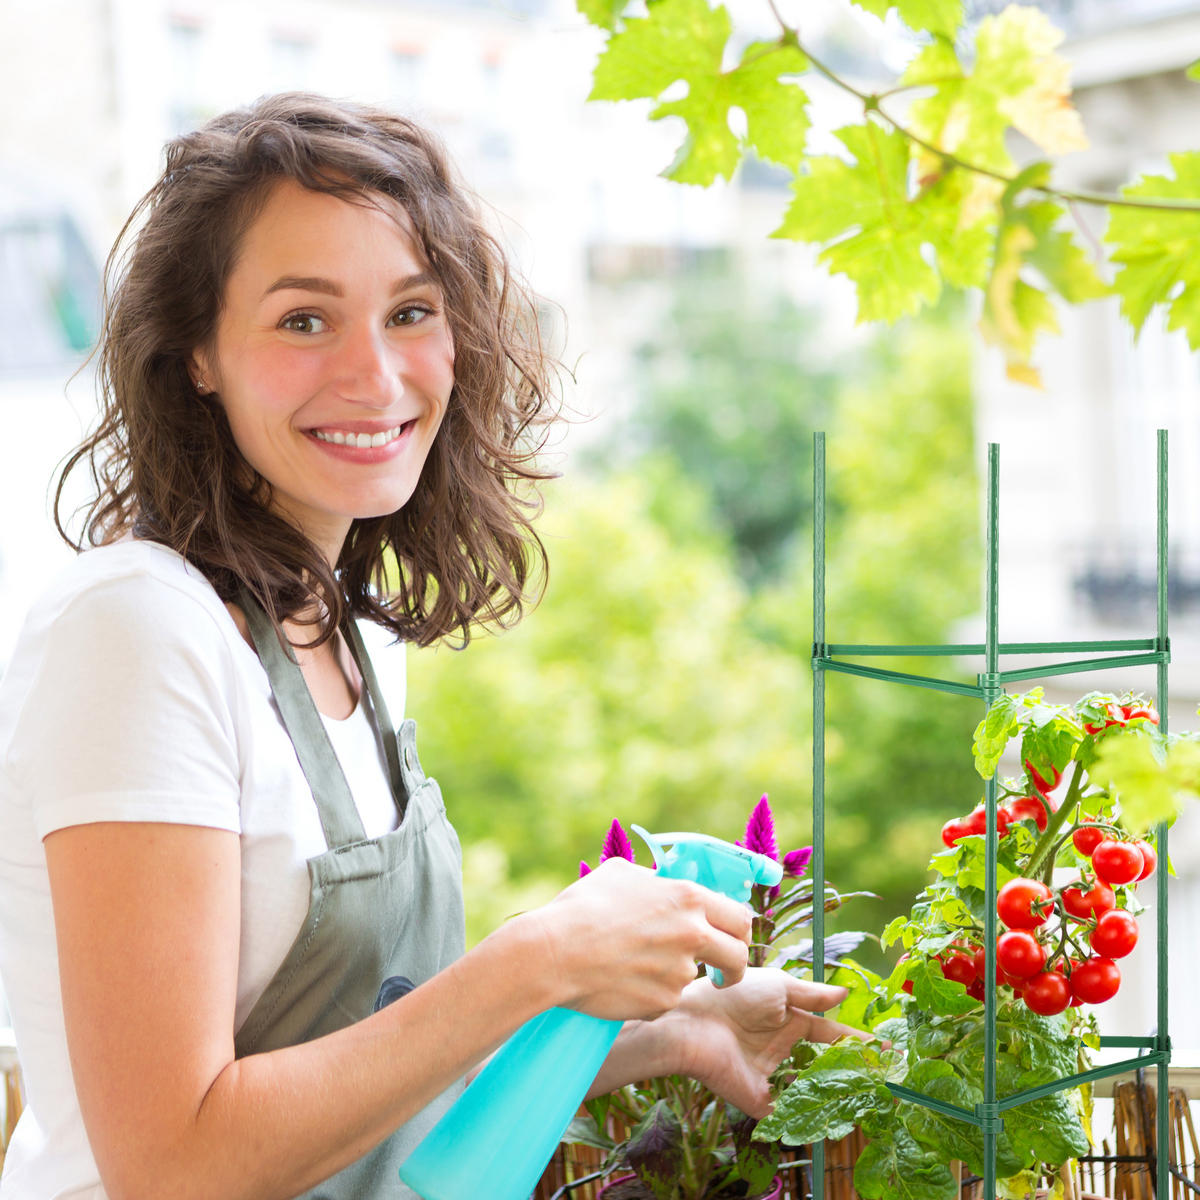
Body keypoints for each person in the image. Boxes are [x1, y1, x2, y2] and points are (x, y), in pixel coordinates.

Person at [0, 94, 854, 1200]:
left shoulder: (350, 629)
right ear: (198, 353)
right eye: (303, 320)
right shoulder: (138, 632)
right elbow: (174, 1163)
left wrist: (672, 1032)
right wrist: (535, 958)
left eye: (411, 311)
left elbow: (374, 1068)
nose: (375, 374)